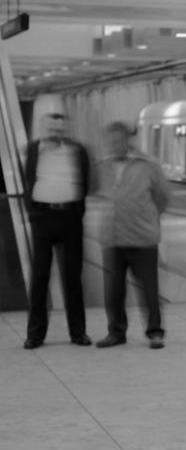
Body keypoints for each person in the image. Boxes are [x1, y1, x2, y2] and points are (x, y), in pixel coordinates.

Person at [94, 121, 170, 349]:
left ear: (127, 140)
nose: (112, 145)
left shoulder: (148, 166)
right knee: (113, 291)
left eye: (117, 141)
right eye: (109, 141)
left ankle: (155, 332)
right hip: (113, 237)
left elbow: (162, 197)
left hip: (142, 237)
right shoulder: (101, 166)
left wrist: (147, 219)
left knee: (149, 289)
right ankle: (116, 332)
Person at [23, 113, 92, 349]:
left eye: (60, 130)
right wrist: (32, 212)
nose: (56, 135)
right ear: (43, 130)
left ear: (66, 130)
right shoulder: (33, 150)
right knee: (40, 277)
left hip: (70, 218)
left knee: (73, 277)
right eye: (52, 130)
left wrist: (77, 211)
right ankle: (35, 335)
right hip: (43, 218)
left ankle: (78, 333)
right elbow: (28, 179)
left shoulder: (78, 151)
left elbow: (86, 182)